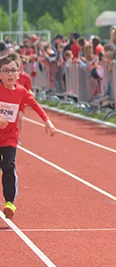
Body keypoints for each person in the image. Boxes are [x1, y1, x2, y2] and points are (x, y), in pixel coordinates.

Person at [0, 52, 56, 220]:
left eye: (13, 70)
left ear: (19, 73)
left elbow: (35, 105)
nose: (10, 74)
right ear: (0, 74)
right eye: (6, 71)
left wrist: (47, 121)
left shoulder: (21, 91)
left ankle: (9, 203)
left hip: (10, 137)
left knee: (9, 167)